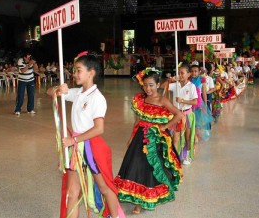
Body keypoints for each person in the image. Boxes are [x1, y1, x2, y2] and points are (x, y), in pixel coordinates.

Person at [47, 52, 125, 218]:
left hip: (91, 146)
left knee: (104, 187)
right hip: (75, 147)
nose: (74, 74)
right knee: (72, 192)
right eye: (74, 70)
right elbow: (49, 92)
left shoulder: (97, 98)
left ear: (91, 72)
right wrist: (58, 89)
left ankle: (116, 216)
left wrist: (73, 140)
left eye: (78, 70)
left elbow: (99, 129)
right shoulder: (77, 93)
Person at [115, 68, 183, 214]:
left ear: (158, 84)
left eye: (151, 85)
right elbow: (137, 121)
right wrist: (131, 137)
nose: (148, 88)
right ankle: (135, 197)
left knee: (149, 167)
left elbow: (179, 114)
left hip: (155, 140)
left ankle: (142, 201)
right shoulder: (141, 99)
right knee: (135, 164)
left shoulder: (162, 100)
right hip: (139, 137)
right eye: (145, 85)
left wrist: (164, 127)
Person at [161, 64, 198, 165]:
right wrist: (170, 80)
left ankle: (188, 156)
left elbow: (195, 102)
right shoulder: (175, 85)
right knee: (175, 138)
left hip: (187, 115)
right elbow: (162, 86)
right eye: (179, 73)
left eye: (182, 73)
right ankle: (175, 157)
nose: (180, 75)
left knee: (187, 136)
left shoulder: (191, 86)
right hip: (177, 115)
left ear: (188, 74)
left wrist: (183, 100)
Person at [14, 51, 37, 115]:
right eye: (28, 57)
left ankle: (30, 109)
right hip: (22, 80)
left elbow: (36, 69)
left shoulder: (31, 60)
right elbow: (23, 71)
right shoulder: (20, 61)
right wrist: (29, 64)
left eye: (30, 56)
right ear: (24, 57)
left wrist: (34, 63)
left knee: (31, 95)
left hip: (31, 80)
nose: (29, 58)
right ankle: (17, 110)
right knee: (20, 96)